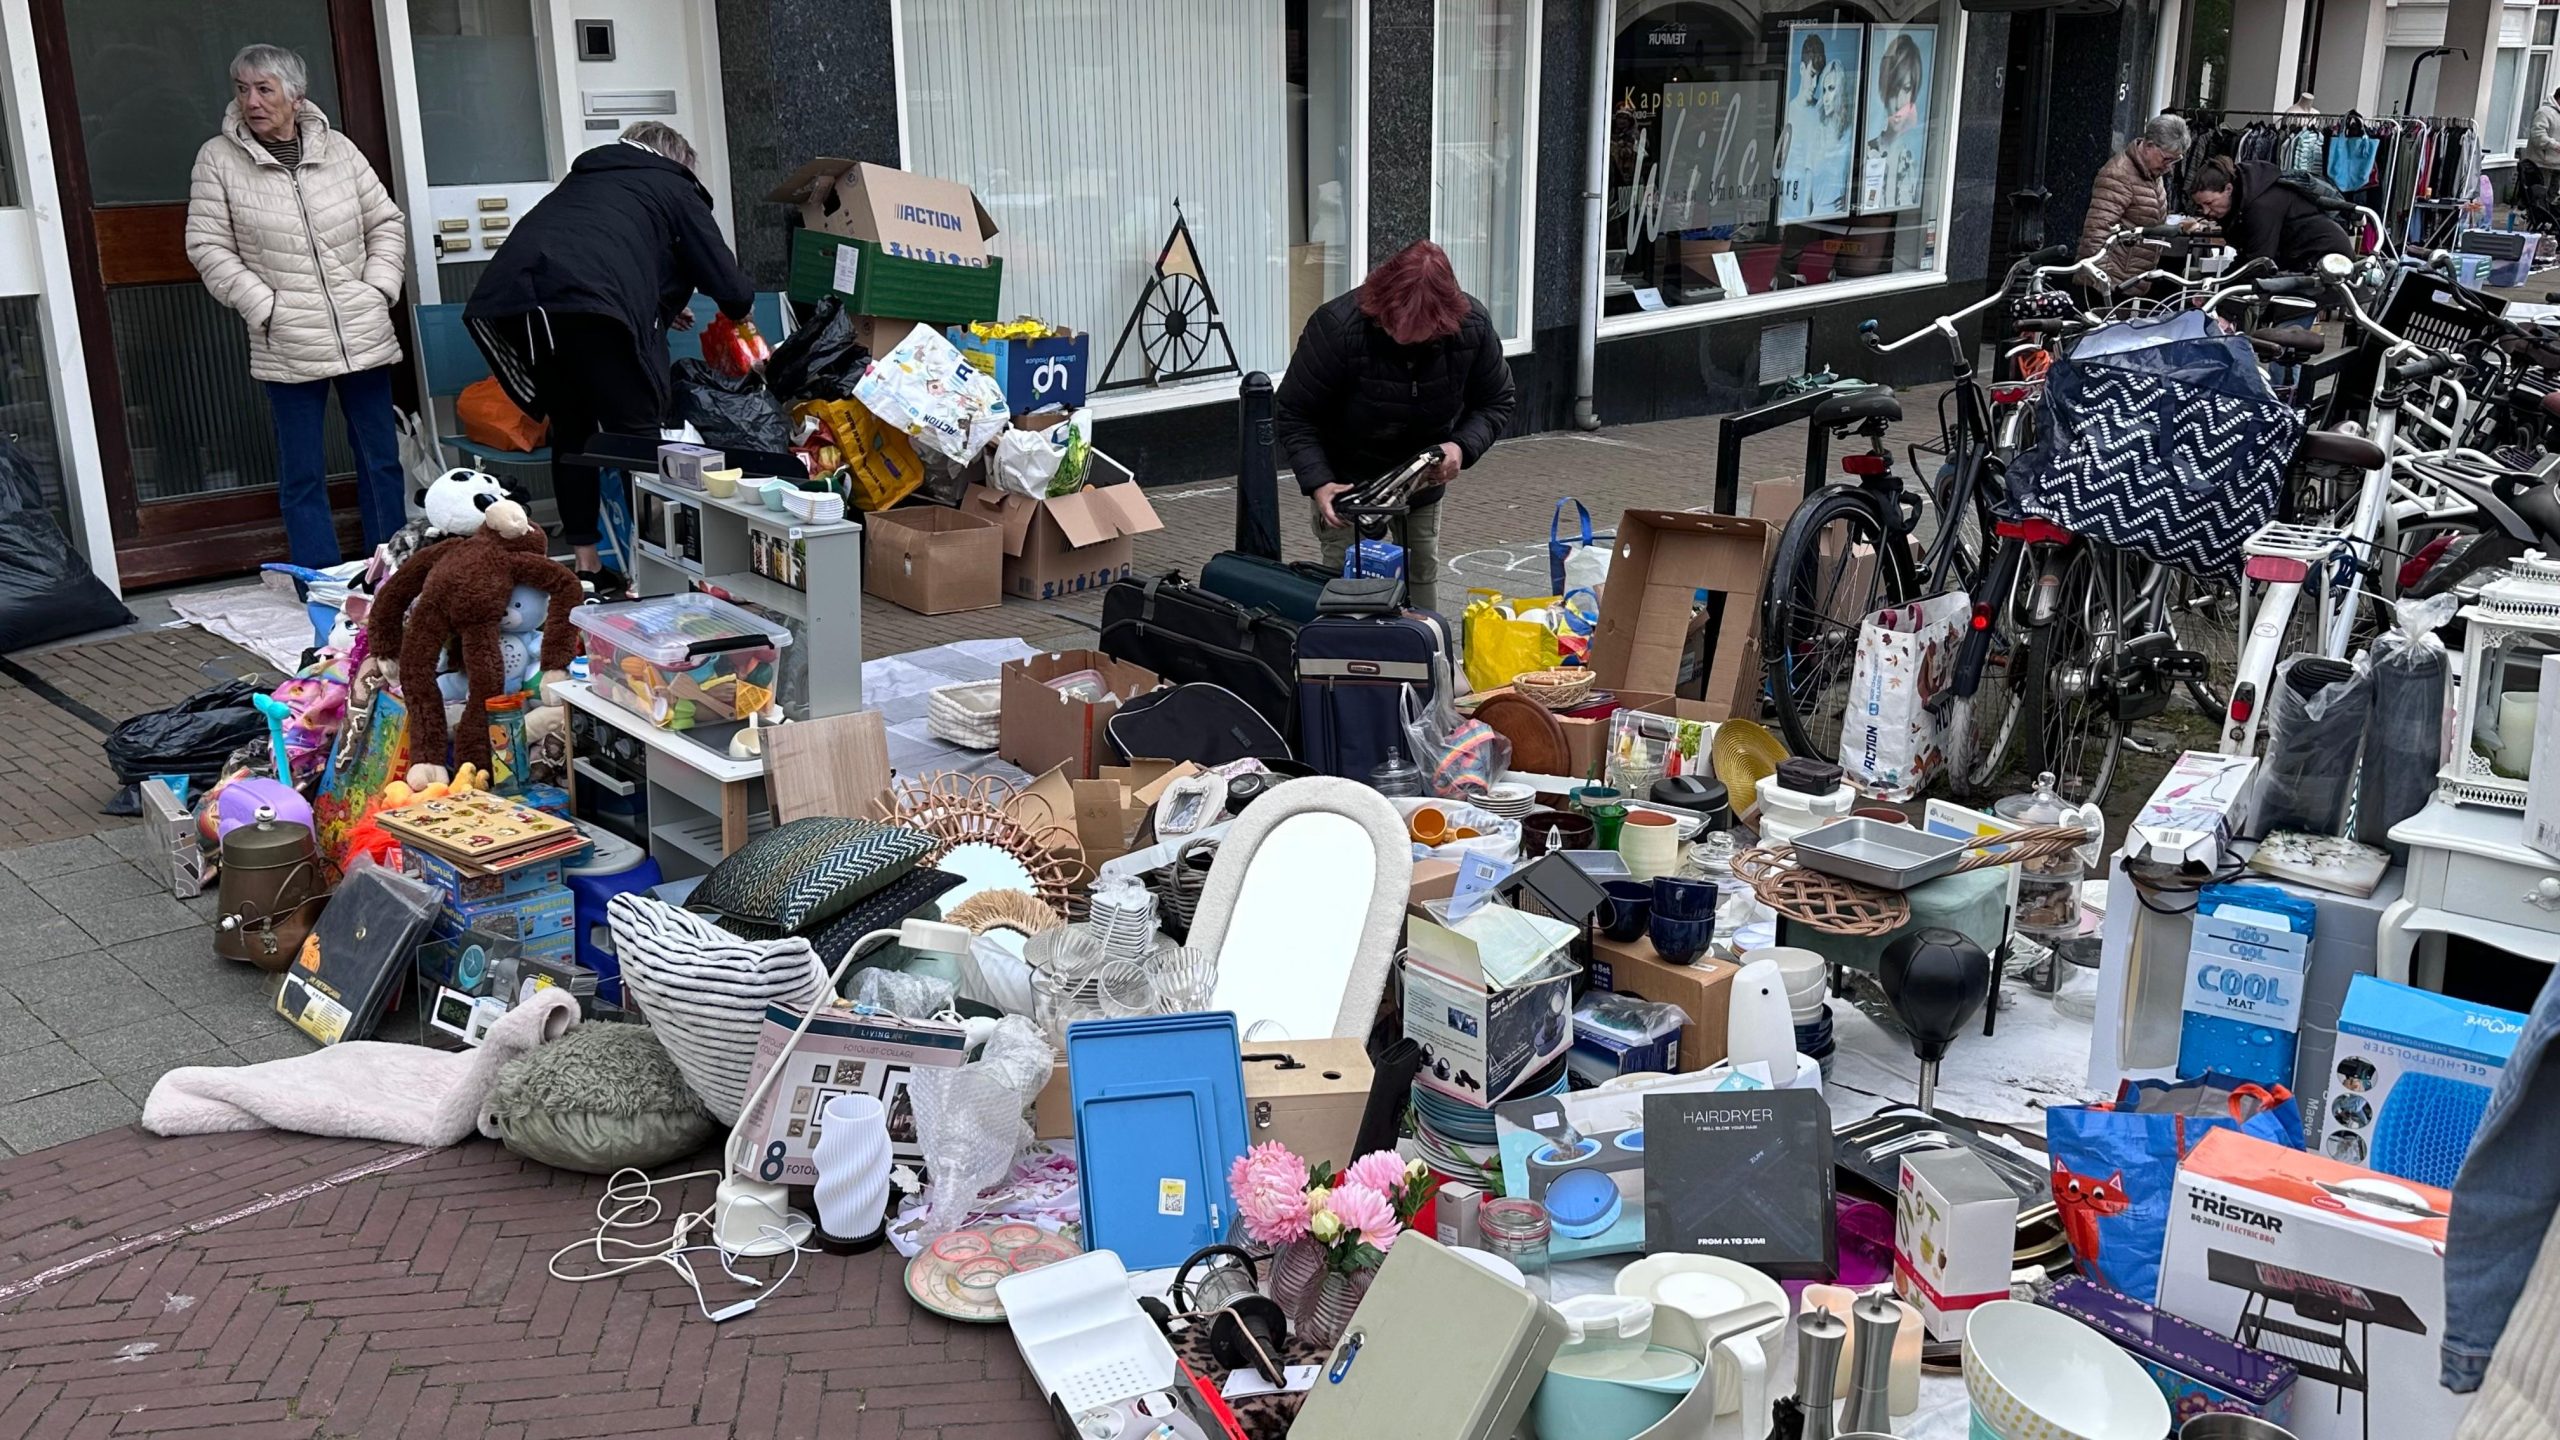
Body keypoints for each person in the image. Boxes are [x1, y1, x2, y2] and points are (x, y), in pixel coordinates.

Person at [466, 121, 754, 587]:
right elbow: (729, 286)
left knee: (573, 431)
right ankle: (659, 574)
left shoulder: (587, 180)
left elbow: (605, 251)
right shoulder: (673, 185)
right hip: (593, 311)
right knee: (638, 437)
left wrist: (653, 304)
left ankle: (586, 566)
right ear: (676, 159)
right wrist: (740, 309)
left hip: (524, 304)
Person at [185, 43, 408, 569]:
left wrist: (377, 288)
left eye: (264, 89)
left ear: (295, 94)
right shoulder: (217, 159)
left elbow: (385, 222)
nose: (252, 101)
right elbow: (207, 246)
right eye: (242, 89)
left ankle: (389, 572)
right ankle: (320, 579)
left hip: (361, 326)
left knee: (381, 460)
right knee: (303, 469)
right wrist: (265, 305)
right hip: (286, 336)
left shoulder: (341, 150)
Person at [1273, 240, 1516, 616]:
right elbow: (1293, 412)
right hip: (1346, 482)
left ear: (1443, 320)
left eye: (1416, 330)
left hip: (1422, 478)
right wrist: (1319, 482)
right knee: (1348, 589)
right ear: (1381, 303)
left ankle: (1425, 662)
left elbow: (1497, 399)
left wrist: (1461, 448)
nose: (1402, 336)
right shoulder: (1336, 327)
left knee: (1420, 583)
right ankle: (1351, 668)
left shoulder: (1472, 326)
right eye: (1393, 325)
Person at [2076, 114, 2190, 294]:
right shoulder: (2119, 174)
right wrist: (2103, 285)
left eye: (2176, 161)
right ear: (2149, 146)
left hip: (2132, 280)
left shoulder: (2152, 174)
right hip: (2111, 284)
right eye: (2166, 159)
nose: (2169, 167)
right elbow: (2096, 232)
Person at [2187, 156, 2354, 274]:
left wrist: (2224, 303)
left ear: (2229, 189)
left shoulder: (2261, 205)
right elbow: (2249, 258)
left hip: (2327, 258)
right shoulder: (2243, 203)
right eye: (2201, 206)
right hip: (2303, 257)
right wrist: (2218, 288)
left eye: (2209, 203)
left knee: (2289, 317)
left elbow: (2259, 262)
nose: (2206, 212)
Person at [2521, 88, 2560, 228]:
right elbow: (2537, 135)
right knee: (2540, 198)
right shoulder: (2544, 112)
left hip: (2557, 165)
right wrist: (2555, 145)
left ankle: (2548, 224)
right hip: (2542, 164)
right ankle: (2538, 223)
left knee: (2552, 197)